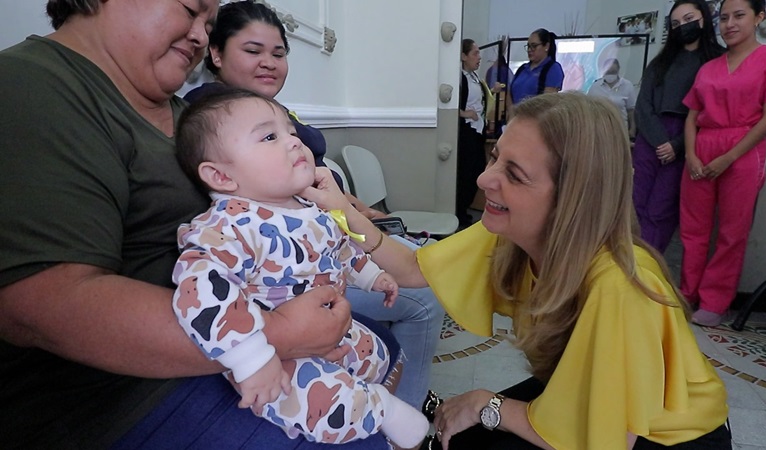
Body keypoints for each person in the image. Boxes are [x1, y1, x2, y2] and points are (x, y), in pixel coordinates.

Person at [0, 1, 402, 449]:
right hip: (122, 398)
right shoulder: (31, 86)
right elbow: (43, 306)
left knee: (384, 350)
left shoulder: (184, 113)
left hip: (234, 330)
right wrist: (275, 336)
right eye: (190, 9)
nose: (199, 35)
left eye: (208, 23)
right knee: (362, 432)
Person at [303, 92, 731, 450]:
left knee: (470, 432)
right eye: (495, 158)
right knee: (458, 437)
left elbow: (607, 437)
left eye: (515, 174)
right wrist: (342, 209)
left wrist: (486, 404)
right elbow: (413, 267)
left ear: (572, 199)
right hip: (581, 393)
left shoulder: (619, 287)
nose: (485, 179)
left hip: (663, 435)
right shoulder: (512, 233)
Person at [182, 0, 444, 410]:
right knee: (426, 293)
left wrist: (354, 208)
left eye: (278, 53)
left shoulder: (274, 112)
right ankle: (408, 409)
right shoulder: (209, 122)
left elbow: (316, 185)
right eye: (252, 50)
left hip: (329, 226)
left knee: (414, 266)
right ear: (215, 53)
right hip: (295, 270)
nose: (269, 63)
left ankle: (394, 399)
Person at [172, 90, 428, 447]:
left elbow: (339, 248)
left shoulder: (307, 206)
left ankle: (368, 391)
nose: (294, 142)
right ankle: (378, 410)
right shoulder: (228, 226)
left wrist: (372, 276)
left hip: (331, 324)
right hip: (272, 348)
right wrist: (252, 358)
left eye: (291, 132)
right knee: (306, 398)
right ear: (221, 176)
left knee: (375, 352)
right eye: (269, 137)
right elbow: (200, 292)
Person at [680, 0, 766, 327]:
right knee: (693, 228)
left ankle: (714, 302)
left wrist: (729, 157)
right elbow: (691, 117)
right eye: (724, 17)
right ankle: (687, 293)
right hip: (702, 145)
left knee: (733, 232)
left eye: (739, 16)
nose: (729, 23)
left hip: (744, 149)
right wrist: (691, 154)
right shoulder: (708, 68)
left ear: (759, 17)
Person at [632, 0, 726, 254]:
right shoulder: (660, 62)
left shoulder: (718, 60)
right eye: (675, 23)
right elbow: (643, 106)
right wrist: (660, 141)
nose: (682, 26)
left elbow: (711, 113)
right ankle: (629, 261)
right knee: (637, 204)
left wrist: (676, 145)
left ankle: (649, 262)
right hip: (650, 138)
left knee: (661, 209)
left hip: (687, 139)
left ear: (704, 18)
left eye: (688, 19)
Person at [456, 38, 492, 228]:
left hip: (478, 130)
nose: (479, 57)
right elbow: (452, 106)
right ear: (464, 56)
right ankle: (459, 212)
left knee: (477, 170)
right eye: (475, 53)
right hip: (468, 131)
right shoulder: (460, 79)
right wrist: (464, 113)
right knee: (467, 173)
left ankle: (463, 209)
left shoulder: (474, 77)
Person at [507, 28, 564, 121]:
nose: (530, 50)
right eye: (528, 46)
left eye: (534, 46)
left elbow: (548, 101)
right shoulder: (522, 68)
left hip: (536, 120)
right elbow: (510, 92)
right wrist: (511, 112)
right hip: (516, 119)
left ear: (546, 46)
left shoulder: (553, 68)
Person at [587, 58, 636, 139]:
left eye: (613, 72)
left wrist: (632, 129)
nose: (610, 75)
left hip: (621, 131)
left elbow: (631, 111)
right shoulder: (595, 87)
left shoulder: (627, 85)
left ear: (618, 70)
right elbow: (589, 110)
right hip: (599, 131)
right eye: (608, 72)